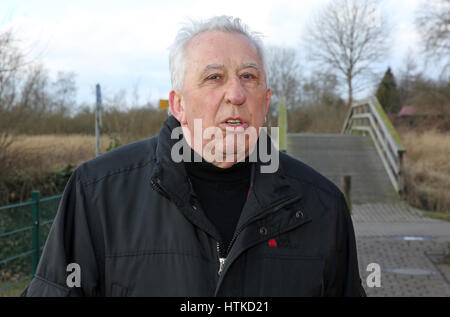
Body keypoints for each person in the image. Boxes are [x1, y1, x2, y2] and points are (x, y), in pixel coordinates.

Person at [22, 16, 366, 297]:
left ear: (266, 100)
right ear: (179, 104)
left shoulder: (322, 204)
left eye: (249, 76)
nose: (236, 93)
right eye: (214, 77)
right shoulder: (97, 192)